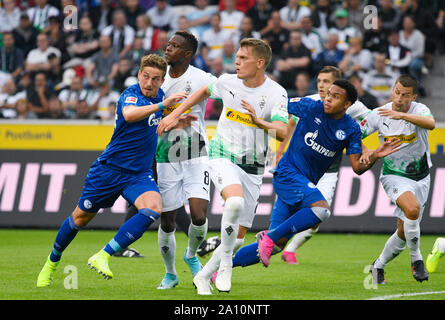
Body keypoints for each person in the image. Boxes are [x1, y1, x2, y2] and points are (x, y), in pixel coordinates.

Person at [36, 54, 191, 287]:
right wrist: (163, 106)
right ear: (139, 75)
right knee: (79, 219)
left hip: (138, 174)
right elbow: (130, 116)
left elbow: (155, 123)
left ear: (161, 81)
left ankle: (104, 254)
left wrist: (176, 122)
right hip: (108, 171)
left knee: (153, 208)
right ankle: (52, 262)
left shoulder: (159, 96)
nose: (149, 82)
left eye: (156, 79)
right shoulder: (130, 95)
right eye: (146, 76)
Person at [157, 38, 289, 295]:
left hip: (253, 165)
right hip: (221, 154)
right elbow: (204, 91)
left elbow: (283, 132)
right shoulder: (227, 81)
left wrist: (259, 122)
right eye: (236, 57)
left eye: (242, 58)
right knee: (235, 203)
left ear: (259, 63)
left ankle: (204, 277)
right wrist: (174, 114)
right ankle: (225, 264)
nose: (236, 62)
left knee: (238, 238)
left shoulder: (276, 93)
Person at [232, 80, 400, 272]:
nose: (328, 98)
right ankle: (268, 238)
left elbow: (357, 167)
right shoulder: (310, 106)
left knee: (277, 247)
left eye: (335, 97)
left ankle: (220, 268)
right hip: (287, 173)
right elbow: (279, 103)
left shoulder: (351, 129)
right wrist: (254, 111)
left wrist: (375, 155)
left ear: (347, 105)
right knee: (322, 211)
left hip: (303, 183)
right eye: (328, 93)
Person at [276, 66, 372, 264]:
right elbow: (291, 122)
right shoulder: (312, 103)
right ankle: (275, 239)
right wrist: (280, 151)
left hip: (329, 170)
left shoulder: (354, 107)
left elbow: (372, 121)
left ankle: (288, 247)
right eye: (319, 81)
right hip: (301, 167)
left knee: (320, 215)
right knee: (299, 209)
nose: (321, 86)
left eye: (326, 82)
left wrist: (358, 142)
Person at [155, 31, 217, 289]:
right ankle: (170, 273)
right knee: (167, 221)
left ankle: (191, 254)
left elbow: (229, 92)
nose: (168, 48)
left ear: (188, 54)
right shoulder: (156, 78)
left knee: (199, 215)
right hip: (166, 154)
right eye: (168, 44)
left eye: (175, 46)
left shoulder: (202, 78)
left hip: (196, 151)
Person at [365, 75, 435, 284]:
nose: (399, 98)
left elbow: (431, 124)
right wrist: (365, 150)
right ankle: (417, 260)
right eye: (397, 92)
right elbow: (354, 133)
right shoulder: (379, 114)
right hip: (393, 175)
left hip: (421, 176)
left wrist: (402, 116)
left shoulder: (420, 110)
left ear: (413, 97)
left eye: (405, 95)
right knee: (412, 209)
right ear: (392, 90)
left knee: (404, 232)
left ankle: (378, 266)